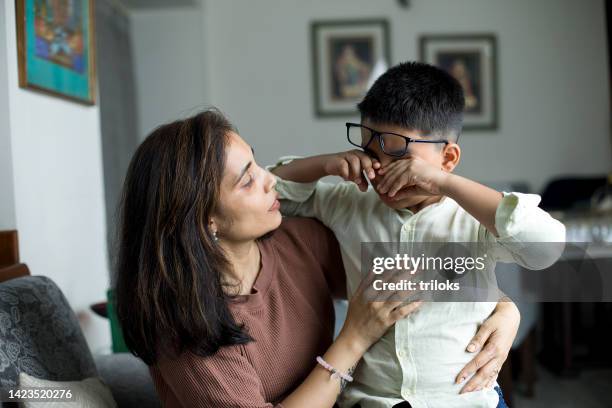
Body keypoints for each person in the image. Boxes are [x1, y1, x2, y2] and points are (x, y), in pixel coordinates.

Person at [114, 108, 521, 408]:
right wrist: (354, 337)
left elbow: (409, 274)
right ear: (206, 223)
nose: (271, 179)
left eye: (256, 162)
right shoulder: (185, 330)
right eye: (248, 180)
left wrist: (503, 306)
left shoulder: (296, 242)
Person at [270, 62, 566, 408]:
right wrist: (324, 165)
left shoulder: (473, 218)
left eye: (399, 158)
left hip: (465, 400)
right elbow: (269, 190)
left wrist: (444, 184)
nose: (379, 172)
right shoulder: (347, 201)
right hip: (372, 400)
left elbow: (547, 248)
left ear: (448, 158)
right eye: (370, 154)